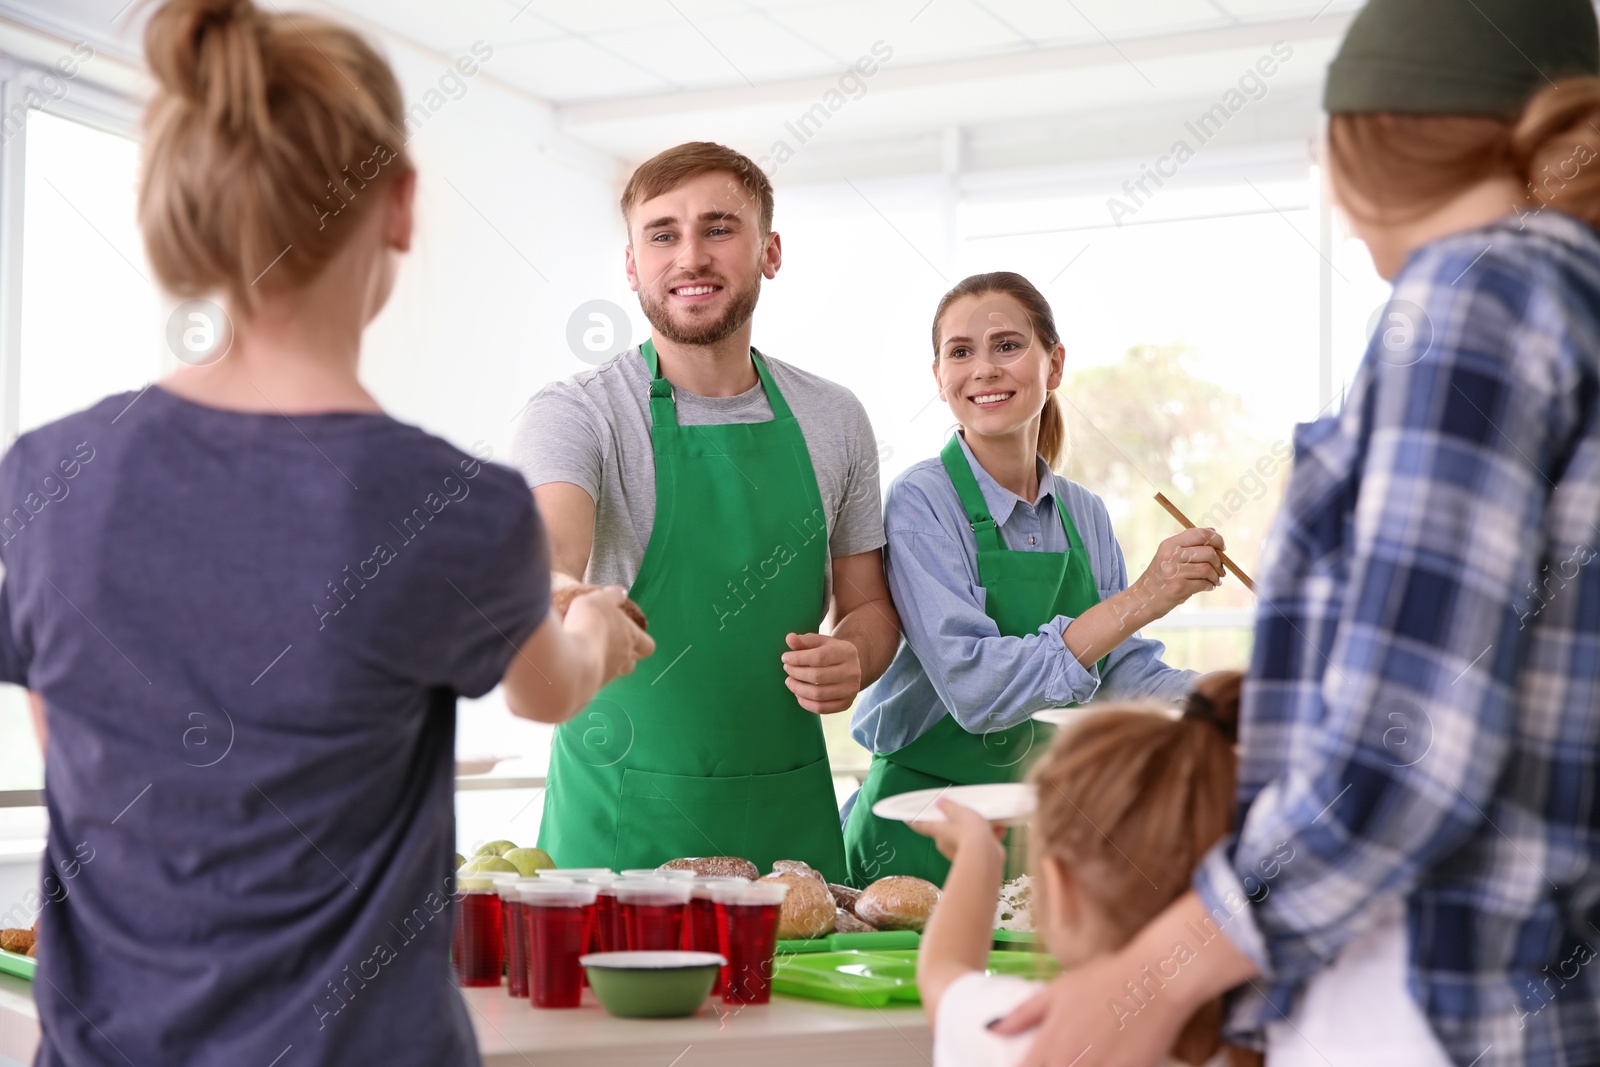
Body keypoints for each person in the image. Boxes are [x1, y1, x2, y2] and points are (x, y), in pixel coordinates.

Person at [5, 1, 651, 1063]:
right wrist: (594, 631)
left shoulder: (48, 478)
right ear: (397, 202)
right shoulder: (452, 505)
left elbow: (67, 727)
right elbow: (547, 688)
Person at [991, 2, 1600, 1065]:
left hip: (1428, 1008)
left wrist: (1150, 976)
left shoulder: (1472, 295)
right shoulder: (1571, 297)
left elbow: (1408, 748)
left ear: (1368, 136)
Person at [513, 142, 900, 882]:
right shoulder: (579, 413)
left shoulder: (834, 416)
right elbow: (545, 562)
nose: (690, 256)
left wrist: (854, 656)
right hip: (622, 837)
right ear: (632, 264)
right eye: (662, 234)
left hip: (786, 829)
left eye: (719, 228)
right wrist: (571, 600)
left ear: (769, 251)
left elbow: (870, 606)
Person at [842, 272, 1227, 887]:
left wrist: (1236, 694)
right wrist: (1142, 598)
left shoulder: (1085, 513)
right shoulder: (921, 501)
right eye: (960, 352)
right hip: (918, 833)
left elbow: (1121, 676)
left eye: (1007, 345)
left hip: (1042, 833)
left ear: (1054, 365)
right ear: (939, 380)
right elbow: (974, 690)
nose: (984, 369)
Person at [913, 673, 1250, 1067]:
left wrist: (978, 853)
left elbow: (943, 972)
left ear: (1054, 883)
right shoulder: (1276, 1039)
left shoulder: (1033, 1030)